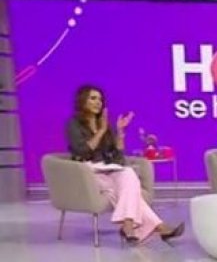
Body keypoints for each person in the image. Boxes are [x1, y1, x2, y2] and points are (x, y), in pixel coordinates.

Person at [66, 85, 184, 245]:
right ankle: (158, 227)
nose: (98, 102)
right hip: (87, 171)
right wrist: (101, 130)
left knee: (128, 174)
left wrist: (120, 132)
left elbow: (117, 154)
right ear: (82, 101)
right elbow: (84, 150)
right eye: (93, 98)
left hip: (107, 168)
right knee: (119, 190)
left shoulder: (104, 124)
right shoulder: (73, 124)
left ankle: (128, 225)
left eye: (100, 99)